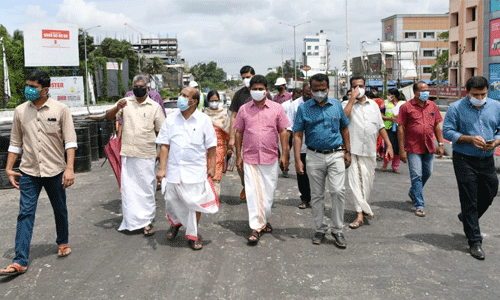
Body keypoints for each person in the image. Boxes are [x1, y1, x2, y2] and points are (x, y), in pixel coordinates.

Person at [0, 70, 77, 276]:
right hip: (29, 171)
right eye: (27, 85)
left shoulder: (61, 110)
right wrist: (9, 168)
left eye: (33, 87)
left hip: (55, 171)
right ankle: (20, 260)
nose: (28, 90)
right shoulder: (20, 111)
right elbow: (15, 143)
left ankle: (62, 241)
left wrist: (69, 169)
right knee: (25, 213)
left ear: (45, 89)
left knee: (59, 209)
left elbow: (70, 142)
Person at [443, 76, 500, 260]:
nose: (480, 97)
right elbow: (448, 131)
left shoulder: (496, 106)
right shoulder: (456, 108)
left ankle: (467, 217)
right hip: (464, 158)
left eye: (483, 94)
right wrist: (469, 138)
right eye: (476, 94)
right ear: (467, 92)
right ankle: (475, 241)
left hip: (487, 158)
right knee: (469, 198)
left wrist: (496, 141)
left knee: (490, 191)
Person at [293, 73, 351, 248]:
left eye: (323, 89)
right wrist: (297, 160)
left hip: (335, 154)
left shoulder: (336, 106)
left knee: (338, 191)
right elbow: (297, 135)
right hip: (314, 155)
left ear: (328, 88)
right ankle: (320, 228)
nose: (320, 93)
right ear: (311, 89)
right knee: (317, 195)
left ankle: (337, 229)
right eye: (316, 90)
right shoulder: (304, 109)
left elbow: (345, 129)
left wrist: (348, 151)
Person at [156, 86, 217, 250]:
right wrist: (162, 169)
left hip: (195, 171)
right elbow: (164, 146)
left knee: (194, 204)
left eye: (185, 95)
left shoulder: (203, 120)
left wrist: (212, 167)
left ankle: (192, 235)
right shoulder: (170, 120)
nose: (180, 97)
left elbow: (212, 146)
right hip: (174, 171)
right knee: (172, 201)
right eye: (180, 94)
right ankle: (175, 223)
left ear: (194, 101)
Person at [105, 75, 165, 236]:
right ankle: (131, 222)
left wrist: (162, 153)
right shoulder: (125, 104)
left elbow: (161, 132)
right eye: (136, 86)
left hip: (147, 154)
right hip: (128, 153)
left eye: (142, 87)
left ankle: (146, 222)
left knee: (146, 190)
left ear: (147, 88)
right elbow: (109, 117)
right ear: (132, 88)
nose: (139, 89)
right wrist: (117, 107)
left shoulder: (154, 107)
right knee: (130, 190)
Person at [234, 75, 290, 244]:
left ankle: (263, 220)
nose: (258, 92)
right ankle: (256, 227)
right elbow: (238, 132)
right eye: (255, 89)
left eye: (261, 89)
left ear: (266, 90)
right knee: (253, 194)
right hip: (250, 158)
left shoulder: (276, 108)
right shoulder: (244, 109)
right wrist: (238, 156)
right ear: (249, 90)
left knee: (268, 194)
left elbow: (283, 131)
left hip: (270, 157)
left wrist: (285, 154)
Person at [343, 76, 394, 229]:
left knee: (366, 182)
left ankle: (363, 208)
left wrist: (389, 145)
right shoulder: (346, 104)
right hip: (354, 150)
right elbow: (343, 118)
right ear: (351, 88)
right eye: (355, 86)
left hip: (370, 150)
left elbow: (380, 126)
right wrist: (352, 99)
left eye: (361, 86)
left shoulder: (373, 105)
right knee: (356, 182)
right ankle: (360, 214)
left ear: (365, 87)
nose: (358, 89)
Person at [398, 81, 444, 217]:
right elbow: (401, 128)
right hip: (413, 147)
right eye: (423, 90)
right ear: (415, 92)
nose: (426, 93)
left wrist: (440, 144)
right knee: (416, 175)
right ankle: (419, 204)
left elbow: (436, 126)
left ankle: (413, 191)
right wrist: (401, 150)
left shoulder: (432, 106)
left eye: (427, 90)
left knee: (427, 173)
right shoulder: (406, 107)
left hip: (429, 146)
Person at [229, 66, 256, 201]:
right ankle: (245, 185)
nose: (246, 80)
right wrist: (232, 137)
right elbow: (233, 116)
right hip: (242, 136)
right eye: (244, 77)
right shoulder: (239, 94)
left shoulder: (262, 93)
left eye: (248, 77)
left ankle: (256, 190)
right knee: (240, 164)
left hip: (257, 136)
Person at [286, 82, 313, 209]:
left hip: (317, 146)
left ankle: (317, 198)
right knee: (302, 174)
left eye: (311, 93)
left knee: (316, 175)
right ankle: (305, 198)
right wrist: (287, 150)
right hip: (301, 147)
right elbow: (289, 127)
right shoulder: (295, 106)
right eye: (307, 94)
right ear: (302, 92)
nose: (309, 96)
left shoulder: (319, 103)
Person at [203, 90, 230, 197]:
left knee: (217, 170)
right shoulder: (204, 114)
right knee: (205, 170)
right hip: (205, 147)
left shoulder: (223, 113)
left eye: (216, 100)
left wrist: (229, 148)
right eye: (212, 100)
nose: (214, 102)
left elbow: (228, 132)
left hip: (219, 147)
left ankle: (215, 196)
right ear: (208, 101)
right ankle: (206, 195)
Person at [381, 88, 405, 173]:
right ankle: (385, 164)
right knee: (388, 146)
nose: (388, 96)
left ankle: (395, 166)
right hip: (388, 128)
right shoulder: (385, 103)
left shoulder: (403, 104)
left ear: (393, 95)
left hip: (400, 128)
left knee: (398, 147)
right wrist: (390, 118)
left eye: (389, 94)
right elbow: (381, 115)